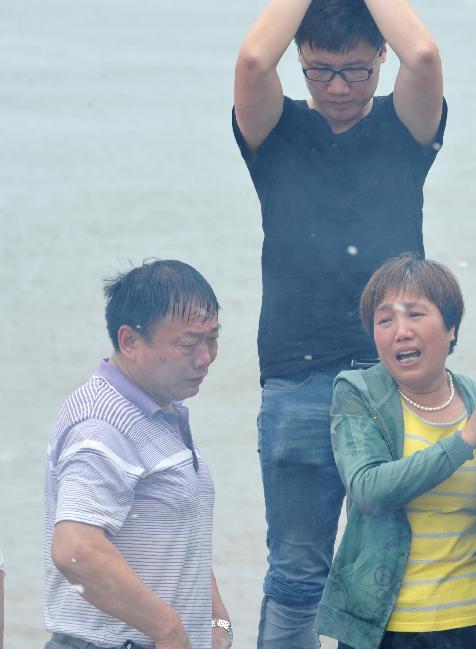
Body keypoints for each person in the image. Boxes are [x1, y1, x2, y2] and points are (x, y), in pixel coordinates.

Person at [232, 0, 446, 644]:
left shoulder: (404, 130)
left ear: (382, 58)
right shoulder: (276, 133)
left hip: (398, 378)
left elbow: (427, 55)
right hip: (297, 379)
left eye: (355, 72)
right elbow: (250, 59)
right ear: (297, 64)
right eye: (318, 72)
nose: (338, 89)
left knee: (400, 570)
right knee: (297, 575)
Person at [315, 254, 476, 649]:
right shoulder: (359, 392)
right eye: (385, 319)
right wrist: (464, 441)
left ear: (451, 327)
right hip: (389, 629)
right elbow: (368, 489)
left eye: (415, 314)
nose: (401, 332)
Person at [42, 260, 231, 649]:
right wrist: (168, 630)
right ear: (129, 341)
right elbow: (75, 548)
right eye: (187, 344)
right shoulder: (102, 424)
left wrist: (216, 619)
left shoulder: (159, 409)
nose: (206, 357)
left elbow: (177, 525)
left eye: (212, 338)